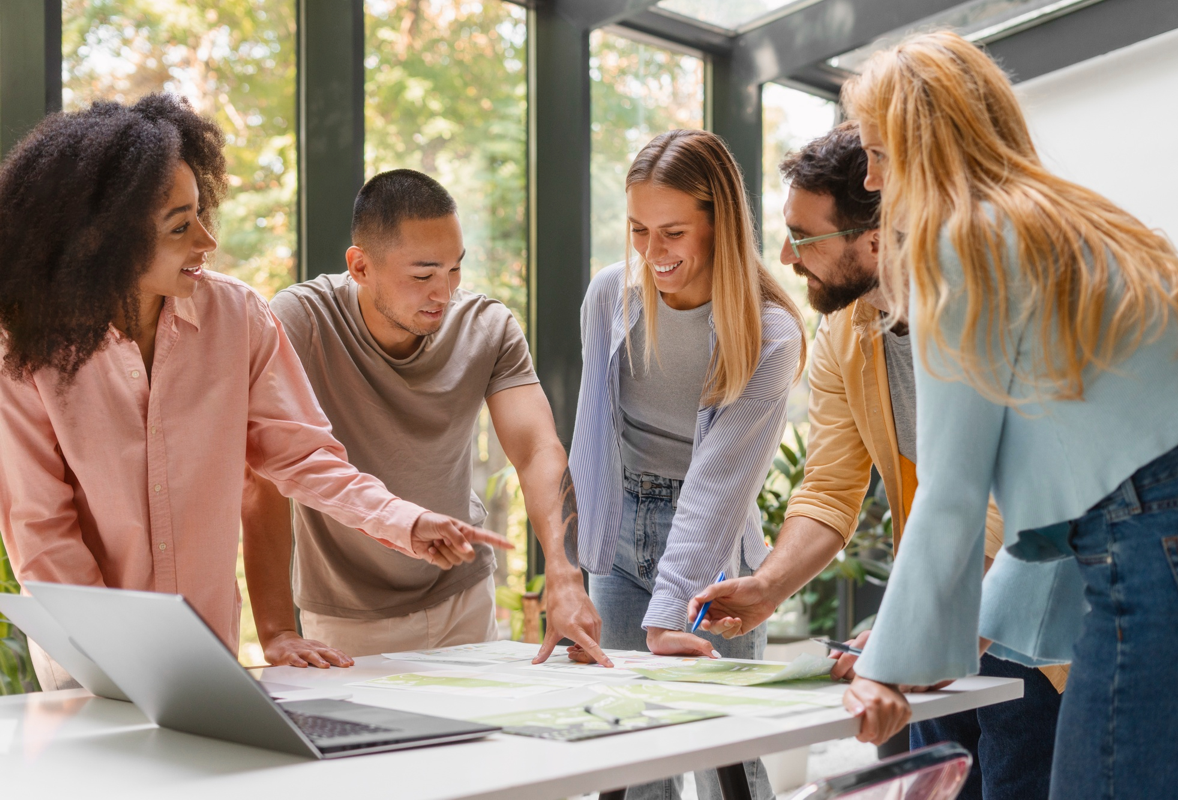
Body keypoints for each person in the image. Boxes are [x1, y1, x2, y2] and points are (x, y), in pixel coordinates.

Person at [0, 95, 509, 690]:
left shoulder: (237, 316)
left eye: (201, 213)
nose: (207, 240)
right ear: (105, 239)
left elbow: (302, 456)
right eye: (180, 226)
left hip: (203, 647)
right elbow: (41, 527)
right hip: (86, 653)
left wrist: (407, 522)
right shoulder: (24, 344)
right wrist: (117, 648)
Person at [833, 32, 1178, 799]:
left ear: (923, 145)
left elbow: (952, 488)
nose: (869, 178)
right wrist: (964, 627)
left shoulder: (959, 239)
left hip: (1153, 539)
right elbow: (1083, 487)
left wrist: (887, 667)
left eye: (880, 153)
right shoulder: (1065, 221)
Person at [688, 122, 1066, 800]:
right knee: (934, 786)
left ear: (872, 238)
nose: (785, 255)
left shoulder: (975, 310)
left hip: (1036, 615)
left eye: (804, 237)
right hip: (944, 607)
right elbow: (831, 486)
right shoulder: (842, 332)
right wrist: (769, 586)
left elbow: (990, 504)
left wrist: (910, 645)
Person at [241, 169, 606, 667]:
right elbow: (262, 478)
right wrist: (278, 630)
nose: (444, 292)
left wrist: (565, 576)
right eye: (423, 274)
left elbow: (536, 449)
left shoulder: (487, 327)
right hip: (349, 618)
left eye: (455, 269)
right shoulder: (301, 322)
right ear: (360, 266)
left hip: (464, 595)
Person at [569, 128, 806, 800]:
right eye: (639, 229)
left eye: (672, 231)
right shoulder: (610, 295)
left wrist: (671, 613)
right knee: (631, 752)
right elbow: (591, 437)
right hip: (619, 539)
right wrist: (578, 567)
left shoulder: (769, 332)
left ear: (718, 222)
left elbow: (718, 486)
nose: (652, 251)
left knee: (725, 755)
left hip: (715, 547)